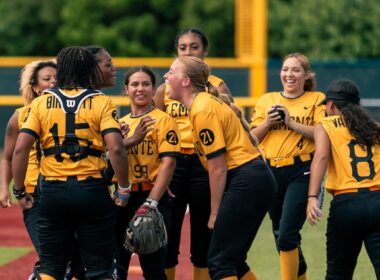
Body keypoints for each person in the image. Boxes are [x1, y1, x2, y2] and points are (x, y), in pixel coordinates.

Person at [11, 46, 130, 280]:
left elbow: (20, 149)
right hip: (91, 189)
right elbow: (116, 148)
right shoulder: (101, 102)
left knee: (51, 267)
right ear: (88, 69)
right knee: (99, 268)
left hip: (53, 190)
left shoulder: (42, 103)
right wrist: (124, 187)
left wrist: (19, 190)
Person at [164, 56, 276, 280]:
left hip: (245, 178)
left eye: (171, 71)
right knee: (232, 259)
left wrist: (215, 211)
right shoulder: (202, 104)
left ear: (186, 81)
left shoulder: (202, 109)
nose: (166, 76)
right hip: (254, 178)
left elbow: (218, 167)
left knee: (219, 262)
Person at [153, 27, 235, 280]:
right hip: (174, 164)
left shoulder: (217, 85)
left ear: (205, 51)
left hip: (203, 163)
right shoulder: (165, 89)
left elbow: (229, 109)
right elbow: (157, 128)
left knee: (203, 240)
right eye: (183, 47)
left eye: (194, 47)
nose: (189, 51)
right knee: (167, 237)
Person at [250, 53, 326, 280]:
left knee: (286, 236)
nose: (289, 74)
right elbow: (252, 138)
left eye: (295, 70)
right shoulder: (267, 99)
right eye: (285, 69)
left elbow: (322, 134)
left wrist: (291, 122)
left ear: (307, 75)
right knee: (280, 235)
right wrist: (268, 122)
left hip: (301, 170)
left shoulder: (316, 98)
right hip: (271, 172)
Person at [307, 79, 380, 279]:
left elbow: (321, 157)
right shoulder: (374, 127)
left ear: (330, 105)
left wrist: (312, 196)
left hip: (347, 204)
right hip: (378, 200)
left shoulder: (326, 124)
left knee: (338, 274)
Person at [114, 65, 180, 280]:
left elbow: (168, 163)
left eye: (145, 84)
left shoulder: (164, 120)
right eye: (134, 84)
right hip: (122, 198)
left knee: (153, 269)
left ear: (153, 89)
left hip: (152, 198)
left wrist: (151, 202)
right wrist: (122, 141)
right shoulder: (119, 125)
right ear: (126, 89)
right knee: (117, 266)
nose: (140, 89)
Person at [0, 60, 56, 278]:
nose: (53, 82)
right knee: (50, 254)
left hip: (60, 191)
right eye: (47, 79)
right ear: (35, 87)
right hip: (32, 194)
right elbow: (8, 157)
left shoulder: (71, 114)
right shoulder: (20, 116)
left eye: (57, 78)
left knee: (62, 256)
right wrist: (5, 187)